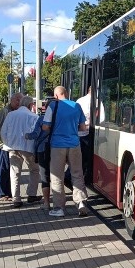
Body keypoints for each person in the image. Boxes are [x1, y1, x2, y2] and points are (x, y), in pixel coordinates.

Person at [42, 86, 90, 217]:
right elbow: (82, 127)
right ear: (66, 94)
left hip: (57, 146)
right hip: (75, 144)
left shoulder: (53, 106)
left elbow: (45, 126)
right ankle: (80, 203)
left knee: (57, 176)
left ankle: (59, 208)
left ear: (56, 95)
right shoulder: (76, 106)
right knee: (77, 174)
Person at [0, 96, 41, 207]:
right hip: (28, 148)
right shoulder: (34, 116)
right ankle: (31, 195)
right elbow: (36, 134)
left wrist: (7, 143)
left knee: (15, 173)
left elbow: (3, 131)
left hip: (12, 147)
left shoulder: (10, 115)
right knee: (34, 170)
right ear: (30, 105)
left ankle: (16, 199)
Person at [76, 85, 104, 186]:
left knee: (79, 158)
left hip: (78, 133)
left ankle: (77, 178)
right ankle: (85, 178)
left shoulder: (79, 101)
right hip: (90, 134)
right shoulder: (98, 102)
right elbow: (102, 120)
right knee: (88, 158)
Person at [26, 111, 53, 210]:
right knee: (57, 175)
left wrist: (27, 135)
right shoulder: (61, 118)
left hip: (43, 149)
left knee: (44, 176)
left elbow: (36, 134)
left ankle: (46, 203)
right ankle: (59, 203)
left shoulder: (42, 118)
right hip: (58, 148)